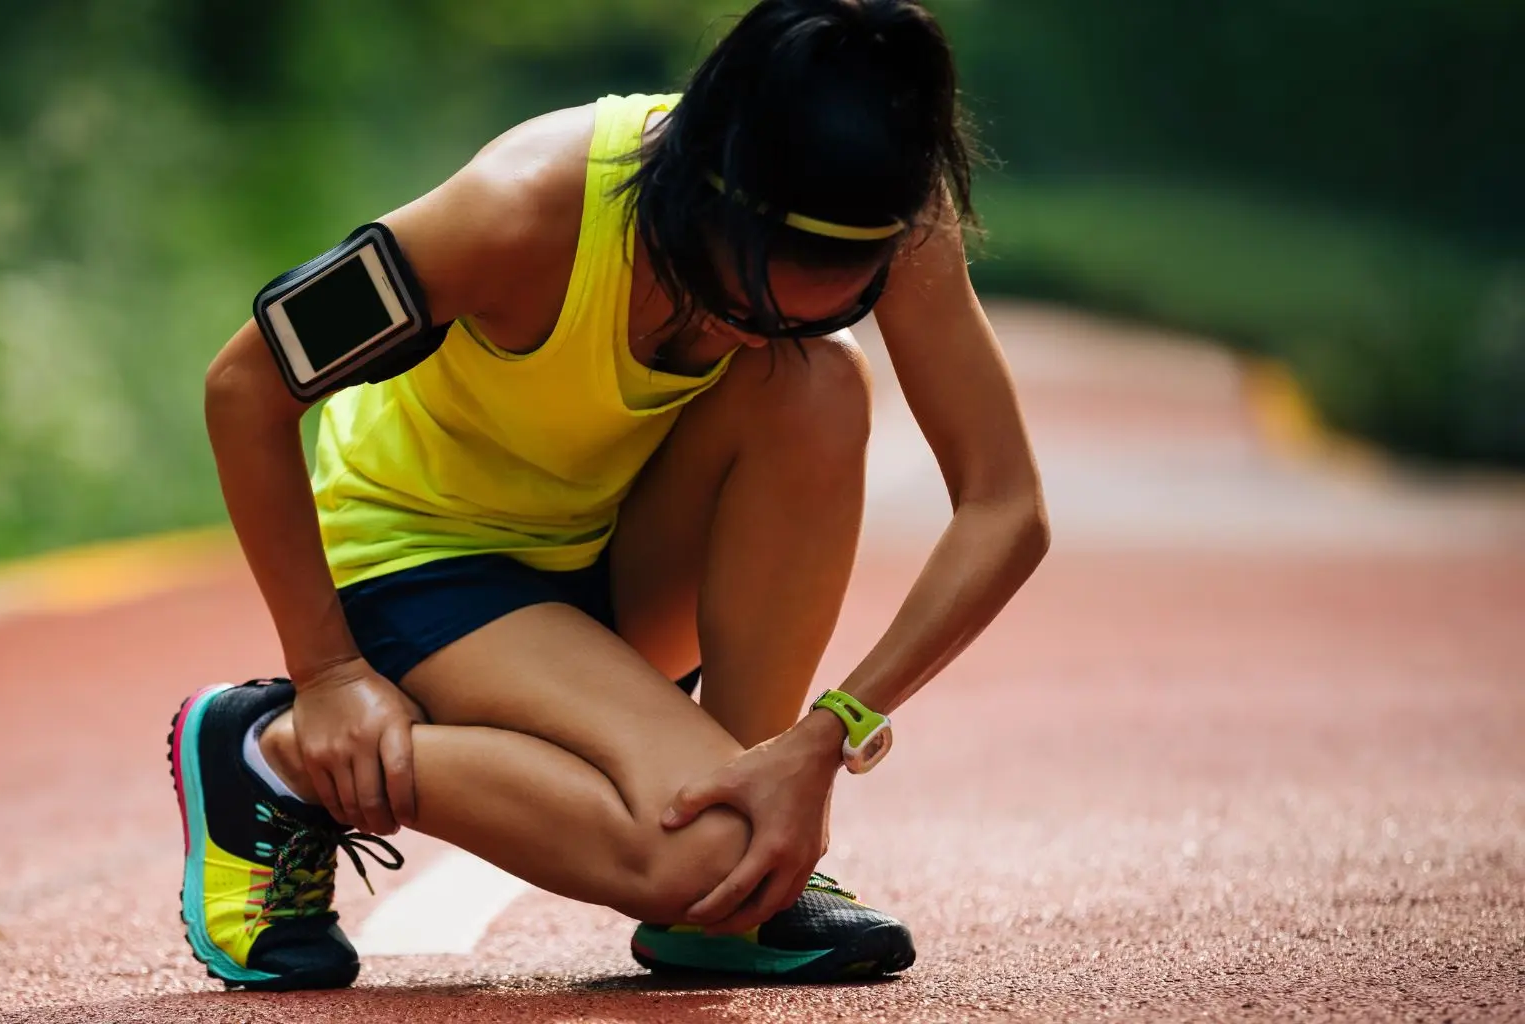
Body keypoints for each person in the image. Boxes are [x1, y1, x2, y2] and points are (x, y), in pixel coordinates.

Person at [170, 0, 1048, 992]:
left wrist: (819, 738)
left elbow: (1004, 505)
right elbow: (243, 385)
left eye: (833, 300)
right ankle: (270, 753)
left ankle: (736, 852)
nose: (749, 336)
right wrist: (328, 671)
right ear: (701, 194)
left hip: (606, 560)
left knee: (818, 380)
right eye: (735, 301)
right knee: (708, 859)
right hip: (421, 561)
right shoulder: (514, 208)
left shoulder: (877, 205)